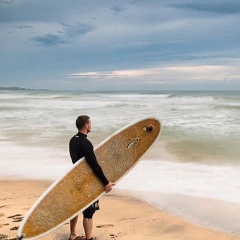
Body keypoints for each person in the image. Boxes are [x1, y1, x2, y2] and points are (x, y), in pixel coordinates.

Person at [69, 115, 115, 240]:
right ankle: (89, 238)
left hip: (75, 179)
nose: (91, 125)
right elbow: (94, 165)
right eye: (90, 123)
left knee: (75, 208)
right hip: (87, 182)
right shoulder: (86, 143)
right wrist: (106, 183)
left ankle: (73, 234)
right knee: (89, 212)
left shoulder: (72, 140)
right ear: (86, 126)